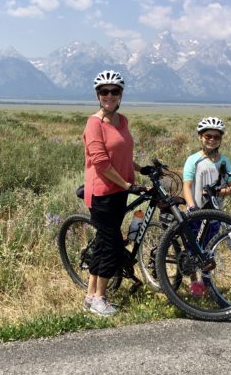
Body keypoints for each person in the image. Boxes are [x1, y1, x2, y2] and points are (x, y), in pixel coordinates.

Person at [82, 70, 146, 316]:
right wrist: (128, 185)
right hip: (103, 193)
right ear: (97, 95)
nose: (109, 95)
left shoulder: (123, 121)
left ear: (121, 94)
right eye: (104, 91)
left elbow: (123, 156)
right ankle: (100, 298)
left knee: (103, 243)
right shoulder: (93, 123)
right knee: (111, 245)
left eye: (114, 91)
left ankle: (89, 295)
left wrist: (141, 169)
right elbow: (101, 163)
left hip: (119, 191)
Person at [182, 116, 231, 297]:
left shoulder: (225, 161)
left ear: (220, 139)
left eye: (216, 137)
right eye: (208, 136)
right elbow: (187, 186)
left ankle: (206, 282)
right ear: (200, 137)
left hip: (215, 213)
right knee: (192, 249)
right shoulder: (193, 160)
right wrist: (191, 207)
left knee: (208, 251)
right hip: (196, 212)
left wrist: (217, 193)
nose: (212, 139)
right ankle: (194, 282)